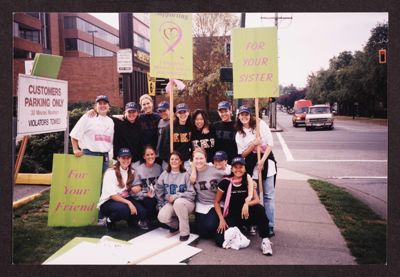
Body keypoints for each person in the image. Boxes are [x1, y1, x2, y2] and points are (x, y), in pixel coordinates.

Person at [214, 156, 273, 255]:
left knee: (259, 209)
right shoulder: (225, 182)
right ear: (231, 169)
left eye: (241, 167)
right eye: (235, 167)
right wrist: (221, 219)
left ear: (245, 168)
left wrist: (246, 204)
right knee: (219, 241)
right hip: (232, 215)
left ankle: (265, 240)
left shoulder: (248, 180)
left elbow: (257, 200)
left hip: (246, 214)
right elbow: (216, 202)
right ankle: (239, 231)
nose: (238, 170)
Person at [235, 105, 277, 237]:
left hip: (266, 162)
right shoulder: (239, 133)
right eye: (241, 115)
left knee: (268, 196)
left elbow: (270, 144)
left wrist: (262, 160)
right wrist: (253, 144)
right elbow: (242, 154)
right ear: (238, 116)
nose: (244, 117)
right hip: (251, 166)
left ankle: (269, 225)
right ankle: (255, 223)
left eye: (246, 114)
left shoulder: (260, 125)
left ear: (250, 115)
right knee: (253, 196)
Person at [97, 148, 145, 232]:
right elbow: (113, 195)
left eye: (128, 158)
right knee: (123, 210)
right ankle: (109, 221)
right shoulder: (110, 172)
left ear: (131, 158)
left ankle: (132, 221)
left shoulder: (132, 172)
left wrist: (138, 187)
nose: (126, 160)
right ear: (118, 158)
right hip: (109, 201)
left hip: (124, 198)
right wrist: (129, 203)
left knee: (141, 211)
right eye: (123, 158)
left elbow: (137, 187)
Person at [156, 151, 196, 241]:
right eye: (172, 159)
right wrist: (161, 204)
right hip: (171, 203)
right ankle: (176, 225)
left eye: (176, 159)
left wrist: (176, 196)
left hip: (187, 203)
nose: (174, 161)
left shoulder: (185, 174)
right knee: (162, 217)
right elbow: (159, 190)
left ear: (181, 162)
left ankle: (185, 232)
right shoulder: (164, 174)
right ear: (169, 161)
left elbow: (192, 193)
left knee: (178, 203)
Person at [70, 95, 114, 174]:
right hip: (90, 155)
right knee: (90, 184)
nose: (102, 105)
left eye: (105, 103)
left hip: (105, 157)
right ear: (95, 106)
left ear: (108, 106)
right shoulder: (88, 117)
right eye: (100, 103)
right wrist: (75, 149)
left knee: (103, 183)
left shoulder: (111, 121)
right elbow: (74, 134)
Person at [189, 148, 225, 238]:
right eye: (196, 159)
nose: (199, 161)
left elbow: (233, 172)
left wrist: (250, 180)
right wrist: (193, 170)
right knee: (203, 232)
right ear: (193, 160)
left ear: (206, 158)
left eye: (201, 158)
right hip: (201, 203)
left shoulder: (215, 169)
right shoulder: (190, 172)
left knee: (210, 225)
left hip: (215, 204)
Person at [131, 145, 162, 229]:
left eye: (152, 154)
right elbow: (133, 192)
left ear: (155, 155)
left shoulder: (159, 168)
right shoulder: (138, 170)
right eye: (147, 155)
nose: (150, 157)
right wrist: (145, 195)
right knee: (150, 202)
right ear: (144, 156)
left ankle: (153, 218)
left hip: (156, 197)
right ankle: (141, 219)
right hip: (143, 198)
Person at [158, 103, 192, 171]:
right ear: (176, 114)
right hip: (170, 161)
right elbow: (161, 148)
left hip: (184, 161)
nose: (182, 114)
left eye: (184, 112)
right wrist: (170, 161)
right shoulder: (169, 128)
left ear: (188, 112)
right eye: (180, 112)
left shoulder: (191, 126)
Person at [112, 102, 142, 169]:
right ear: (125, 112)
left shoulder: (140, 122)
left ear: (137, 113)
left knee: (134, 179)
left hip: (135, 160)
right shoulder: (118, 122)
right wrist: (94, 110)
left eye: (133, 112)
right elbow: (104, 115)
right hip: (120, 159)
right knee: (119, 179)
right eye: (129, 112)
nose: (131, 114)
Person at [155, 101, 170, 168]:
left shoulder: (174, 121)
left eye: (164, 110)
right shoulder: (160, 121)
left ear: (169, 110)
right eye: (160, 111)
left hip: (168, 155)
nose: (162, 113)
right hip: (158, 154)